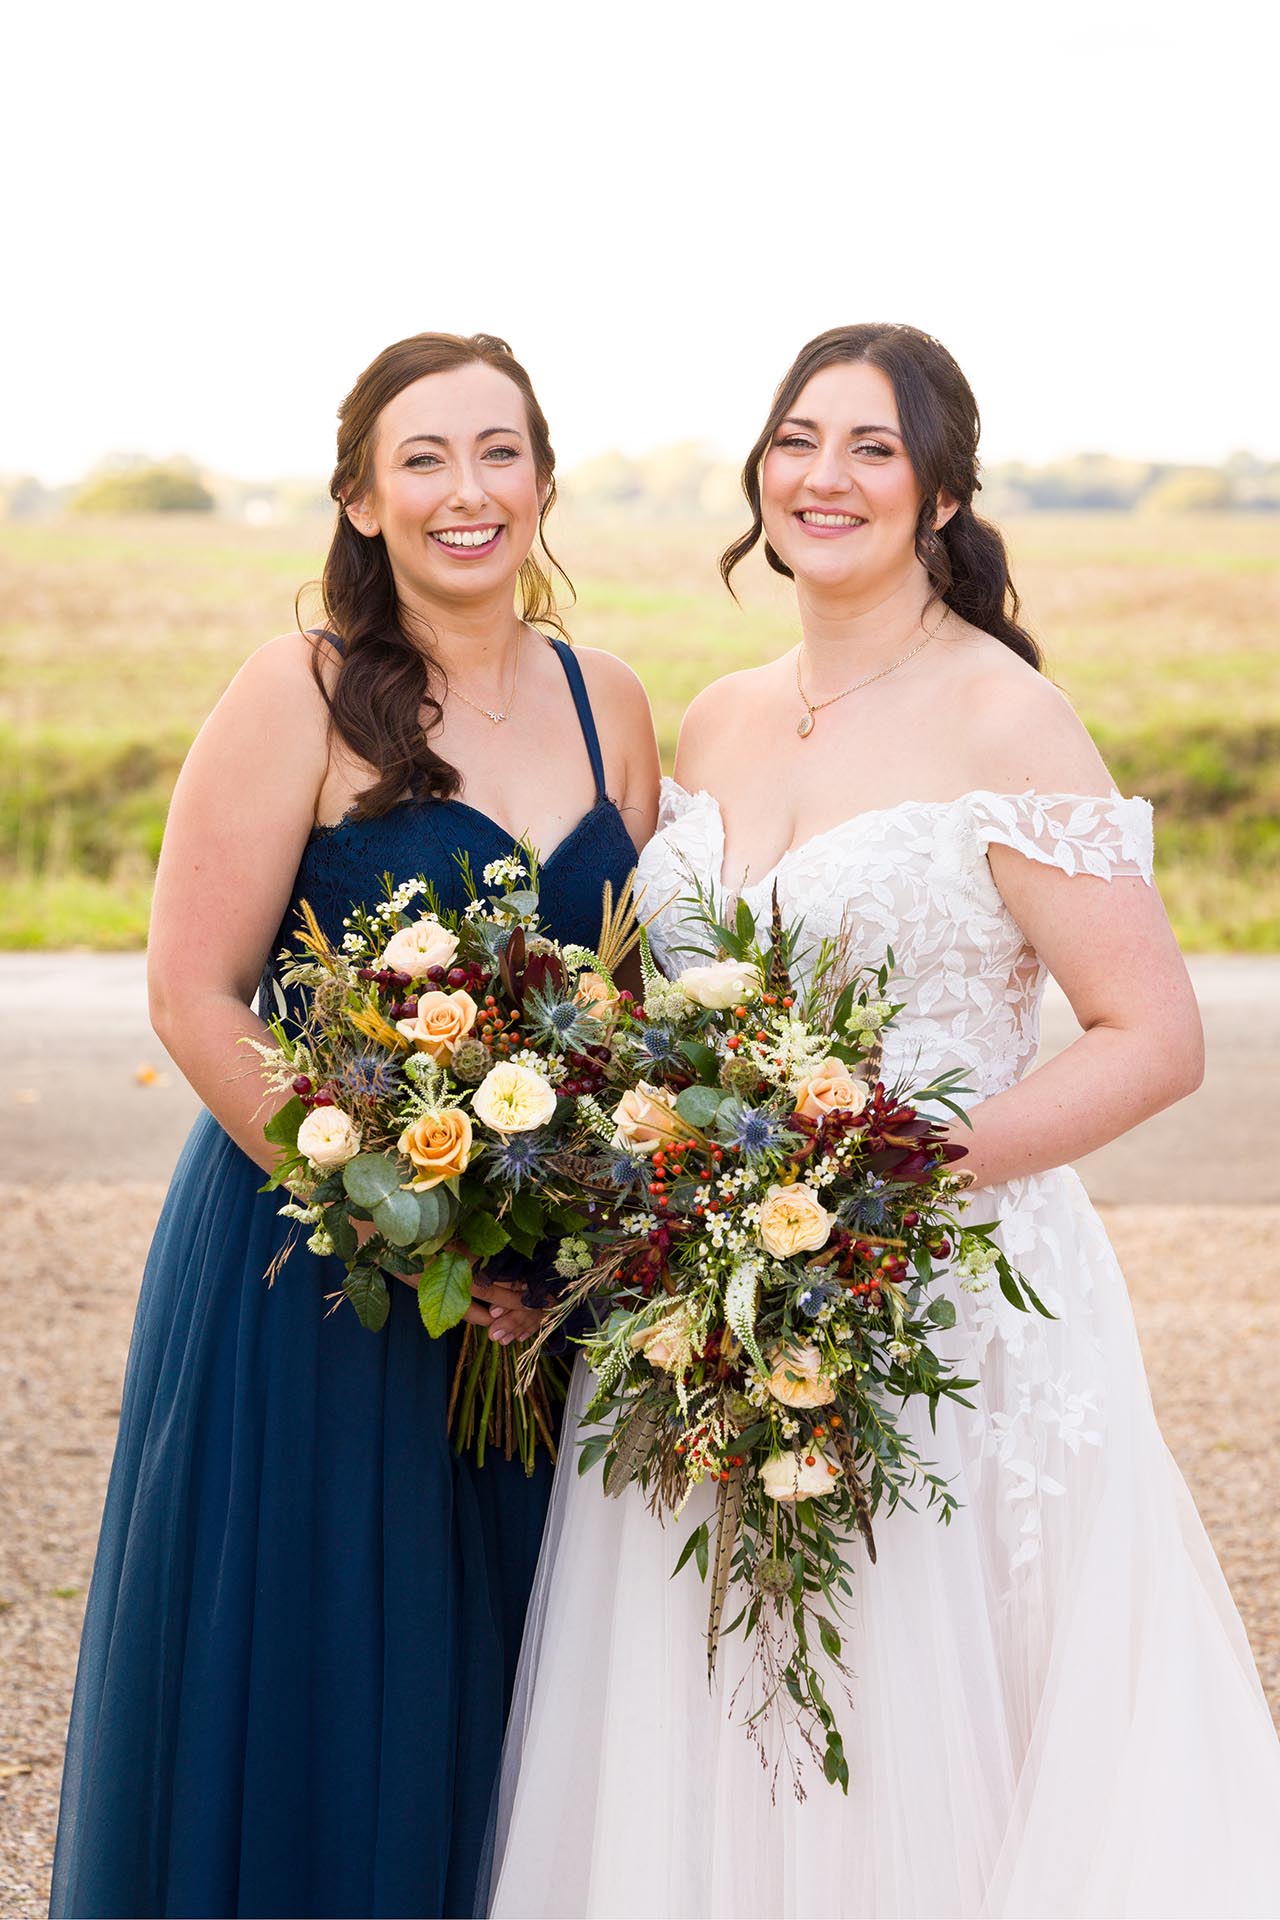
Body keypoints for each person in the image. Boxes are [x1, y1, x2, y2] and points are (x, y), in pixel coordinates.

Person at [486, 324, 1280, 1919]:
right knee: (702, 1710)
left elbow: (1154, 1036)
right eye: (796, 440)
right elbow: (651, 1024)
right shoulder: (712, 718)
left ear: (938, 495)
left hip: (942, 1304)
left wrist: (889, 1176)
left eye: (870, 447)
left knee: (918, 1709)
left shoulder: (1006, 720)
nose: (822, 477)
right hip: (701, 1305)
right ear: (759, 474)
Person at [50, 331, 659, 1920]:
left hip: (539, 1297)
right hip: (312, 1266)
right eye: (425, 459)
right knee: (319, 1667)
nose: (470, 492)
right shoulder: (300, 688)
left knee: (519, 1679)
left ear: (543, 478)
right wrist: (401, 1208)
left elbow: (631, 1011)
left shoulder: (618, 709)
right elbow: (196, 995)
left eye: (499, 452)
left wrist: (569, 1247)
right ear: (362, 497)